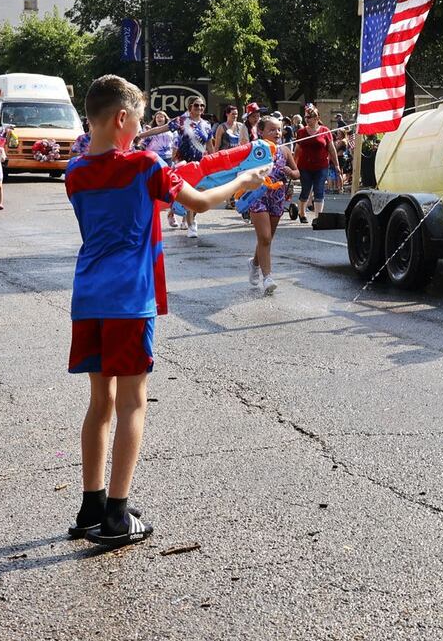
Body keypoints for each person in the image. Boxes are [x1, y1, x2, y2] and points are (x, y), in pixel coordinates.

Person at [66, 75, 266, 546]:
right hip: (130, 302)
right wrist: (242, 179)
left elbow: (118, 176)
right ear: (121, 119)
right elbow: (199, 201)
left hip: (88, 299)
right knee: (134, 403)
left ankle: (91, 505)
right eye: (137, 118)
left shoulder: (75, 173)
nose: (141, 127)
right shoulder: (144, 164)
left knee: (100, 404)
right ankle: (117, 514)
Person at [248, 115, 301, 294]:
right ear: (261, 131)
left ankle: (255, 263)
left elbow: (297, 172)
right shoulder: (254, 149)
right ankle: (267, 277)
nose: (277, 133)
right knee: (264, 237)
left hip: (278, 196)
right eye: (272, 129)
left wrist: (291, 172)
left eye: (278, 129)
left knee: (267, 238)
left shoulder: (285, 151)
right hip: (258, 195)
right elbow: (241, 168)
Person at [172, 97, 213, 239]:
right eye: (196, 105)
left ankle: (188, 217)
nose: (200, 108)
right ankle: (191, 223)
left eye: (202, 105)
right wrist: (141, 135)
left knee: (199, 193)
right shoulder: (181, 121)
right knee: (189, 193)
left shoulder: (207, 125)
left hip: (200, 163)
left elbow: (210, 146)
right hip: (184, 162)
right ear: (190, 107)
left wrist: (215, 162)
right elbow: (162, 129)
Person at [293, 104, 340, 223]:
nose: (307, 119)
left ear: (316, 118)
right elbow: (297, 150)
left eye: (309, 117)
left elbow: (331, 149)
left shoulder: (325, 131)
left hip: (321, 167)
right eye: (306, 117)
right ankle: (301, 212)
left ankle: (318, 217)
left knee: (319, 190)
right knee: (306, 190)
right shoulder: (302, 132)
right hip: (305, 167)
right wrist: (294, 166)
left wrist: (337, 165)